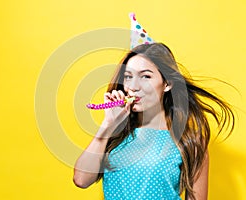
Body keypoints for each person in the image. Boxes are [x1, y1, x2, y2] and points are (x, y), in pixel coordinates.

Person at [73, 15, 235, 200]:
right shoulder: (115, 134)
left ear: (167, 84)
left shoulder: (189, 142)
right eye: (128, 77)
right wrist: (108, 125)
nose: (133, 86)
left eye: (146, 76)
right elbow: (81, 179)